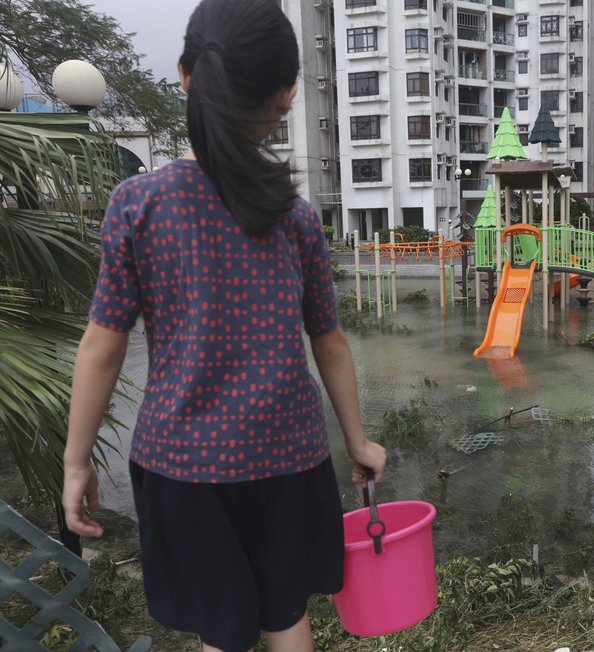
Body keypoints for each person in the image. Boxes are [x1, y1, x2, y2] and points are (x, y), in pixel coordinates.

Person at [62, 1, 386, 650]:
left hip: (182, 466)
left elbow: (102, 346)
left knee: (222, 630)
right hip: (287, 458)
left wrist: (76, 461)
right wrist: (357, 440)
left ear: (186, 76)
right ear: (287, 97)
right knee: (287, 613)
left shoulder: (137, 204)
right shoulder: (294, 217)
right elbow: (330, 340)